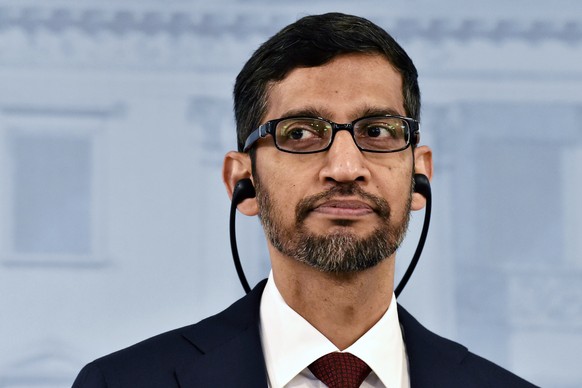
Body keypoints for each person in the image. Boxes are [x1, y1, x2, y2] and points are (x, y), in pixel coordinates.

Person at [72, 12, 537, 388]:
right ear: (243, 183)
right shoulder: (119, 382)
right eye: (299, 133)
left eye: (376, 131)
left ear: (419, 176)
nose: (345, 167)